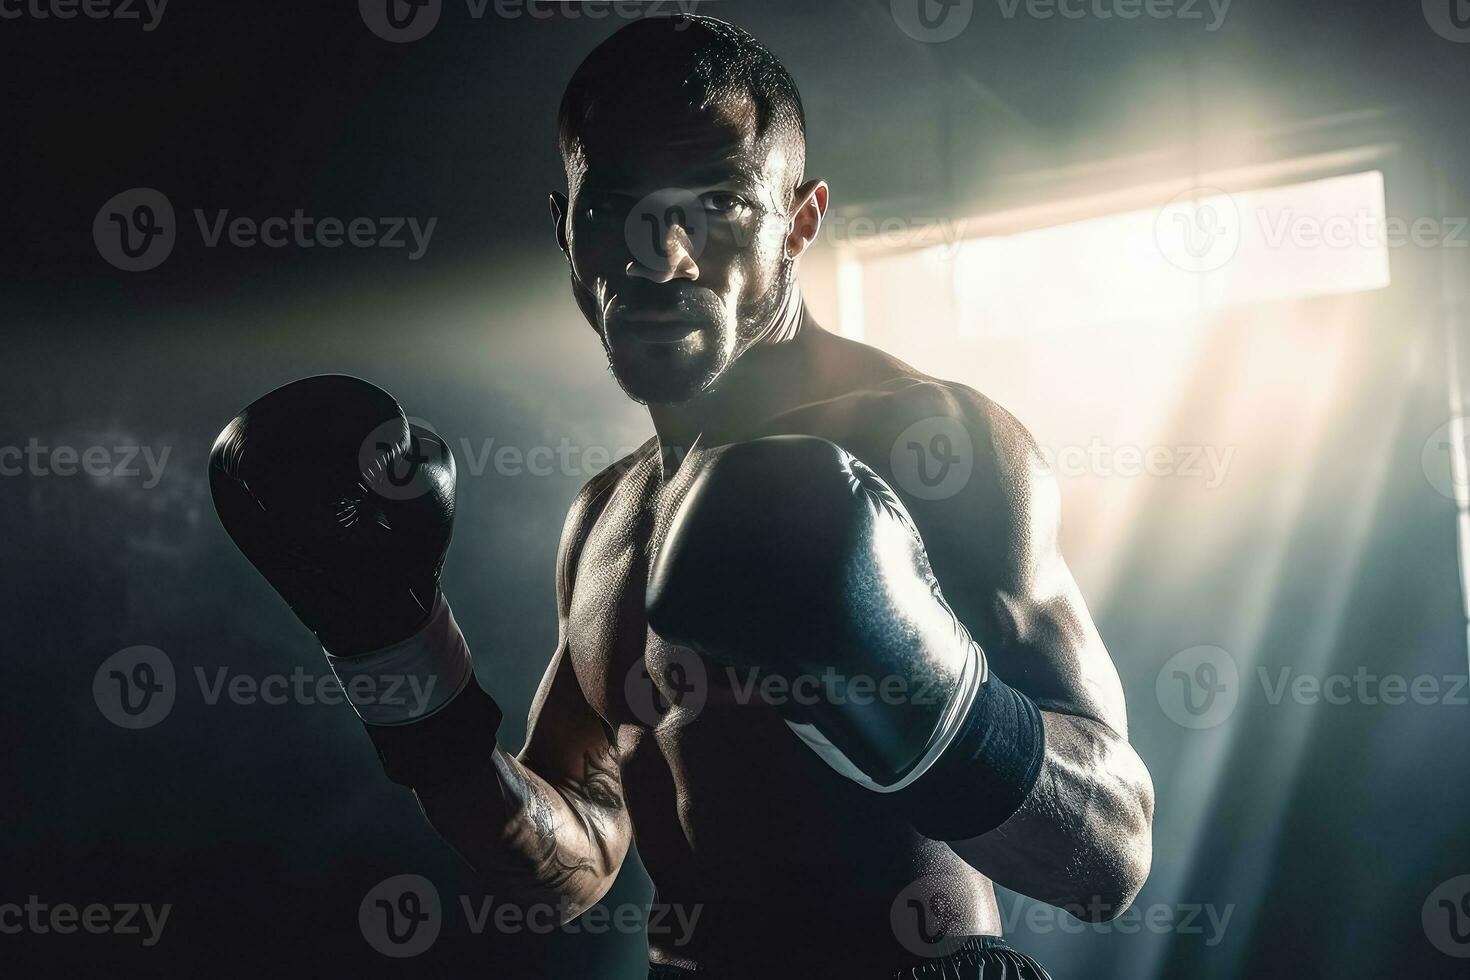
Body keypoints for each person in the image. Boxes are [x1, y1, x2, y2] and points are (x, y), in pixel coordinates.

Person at [209, 15, 1154, 978]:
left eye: (719, 203)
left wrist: (920, 702)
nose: (662, 256)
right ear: (564, 226)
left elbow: (1111, 851)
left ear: (800, 220)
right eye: (614, 204)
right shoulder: (605, 517)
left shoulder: (925, 442)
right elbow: (569, 861)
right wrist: (396, 659)